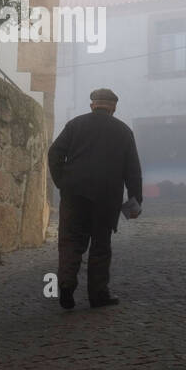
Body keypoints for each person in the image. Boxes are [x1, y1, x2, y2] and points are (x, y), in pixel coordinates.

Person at [47, 88, 143, 310]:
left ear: (92, 105)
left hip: (74, 193)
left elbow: (54, 153)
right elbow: (133, 171)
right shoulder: (123, 131)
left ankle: (66, 285)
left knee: (71, 240)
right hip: (107, 196)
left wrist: (63, 182)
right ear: (113, 108)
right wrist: (134, 204)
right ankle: (98, 295)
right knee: (101, 245)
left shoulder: (75, 125)